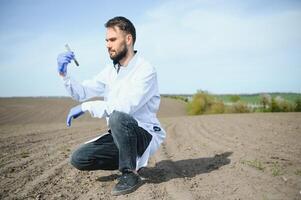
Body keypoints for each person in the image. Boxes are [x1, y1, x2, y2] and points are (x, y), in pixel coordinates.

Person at [56, 16, 166, 196]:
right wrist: (63, 74)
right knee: (79, 158)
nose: (108, 45)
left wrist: (86, 107)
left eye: (113, 39)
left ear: (128, 39)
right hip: (120, 134)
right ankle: (129, 158)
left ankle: (129, 173)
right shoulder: (110, 71)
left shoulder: (145, 69)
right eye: (106, 40)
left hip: (143, 133)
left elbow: (124, 108)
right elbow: (82, 92)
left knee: (117, 116)